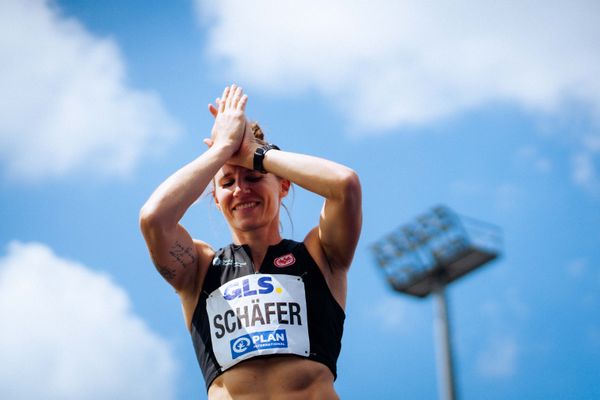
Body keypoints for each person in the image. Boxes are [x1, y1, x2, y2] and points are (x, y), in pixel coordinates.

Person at [140, 84, 362, 399]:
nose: (241, 190)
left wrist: (254, 155)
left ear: (284, 185)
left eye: (254, 177)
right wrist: (221, 151)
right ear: (216, 199)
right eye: (228, 182)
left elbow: (345, 185)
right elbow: (154, 219)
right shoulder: (201, 267)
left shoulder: (319, 254)